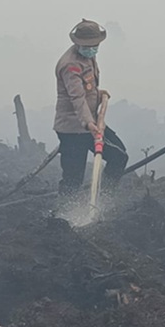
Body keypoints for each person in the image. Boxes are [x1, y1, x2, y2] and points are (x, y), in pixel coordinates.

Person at [54, 19, 128, 196]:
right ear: (77, 43)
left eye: (95, 45)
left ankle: (104, 199)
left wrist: (98, 93)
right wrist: (89, 124)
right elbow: (77, 97)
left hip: (91, 124)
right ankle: (63, 216)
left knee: (118, 157)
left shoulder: (88, 57)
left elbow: (85, 89)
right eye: (88, 45)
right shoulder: (70, 64)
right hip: (74, 129)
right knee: (73, 178)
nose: (92, 48)